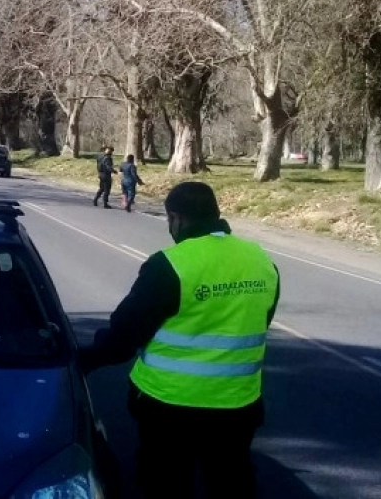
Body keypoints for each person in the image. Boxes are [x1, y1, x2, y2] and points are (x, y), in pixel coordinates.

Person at [78, 182, 281, 499]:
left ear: (177, 219)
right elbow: (261, 320)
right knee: (231, 482)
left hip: (169, 406)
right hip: (238, 405)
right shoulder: (261, 260)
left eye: (169, 221)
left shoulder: (169, 265)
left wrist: (87, 360)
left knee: (166, 484)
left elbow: (125, 332)